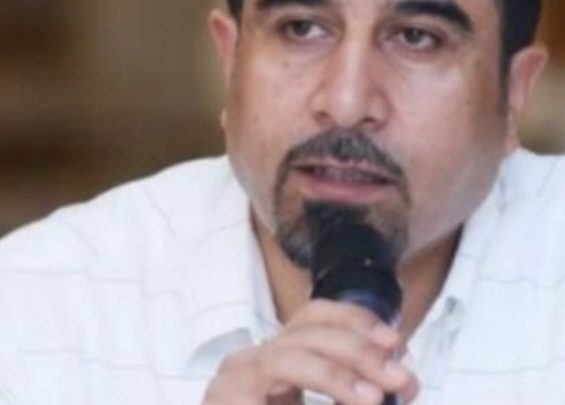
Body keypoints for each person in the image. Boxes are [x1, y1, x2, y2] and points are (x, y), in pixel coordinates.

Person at [0, 0, 560, 403]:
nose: (346, 103)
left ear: (514, 96)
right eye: (301, 28)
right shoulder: (34, 310)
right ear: (230, 61)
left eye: (417, 37)